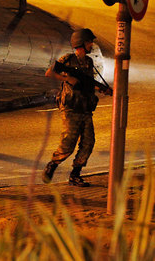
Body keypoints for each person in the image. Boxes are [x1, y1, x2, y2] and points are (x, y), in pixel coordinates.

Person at [42, 28, 112, 187]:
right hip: (71, 107)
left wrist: (102, 89)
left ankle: (75, 174)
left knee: (89, 142)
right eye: (89, 41)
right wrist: (68, 79)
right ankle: (53, 164)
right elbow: (49, 73)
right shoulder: (68, 59)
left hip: (85, 108)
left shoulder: (89, 62)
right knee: (69, 142)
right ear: (81, 43)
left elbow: (88, 83)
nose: (91, 44)